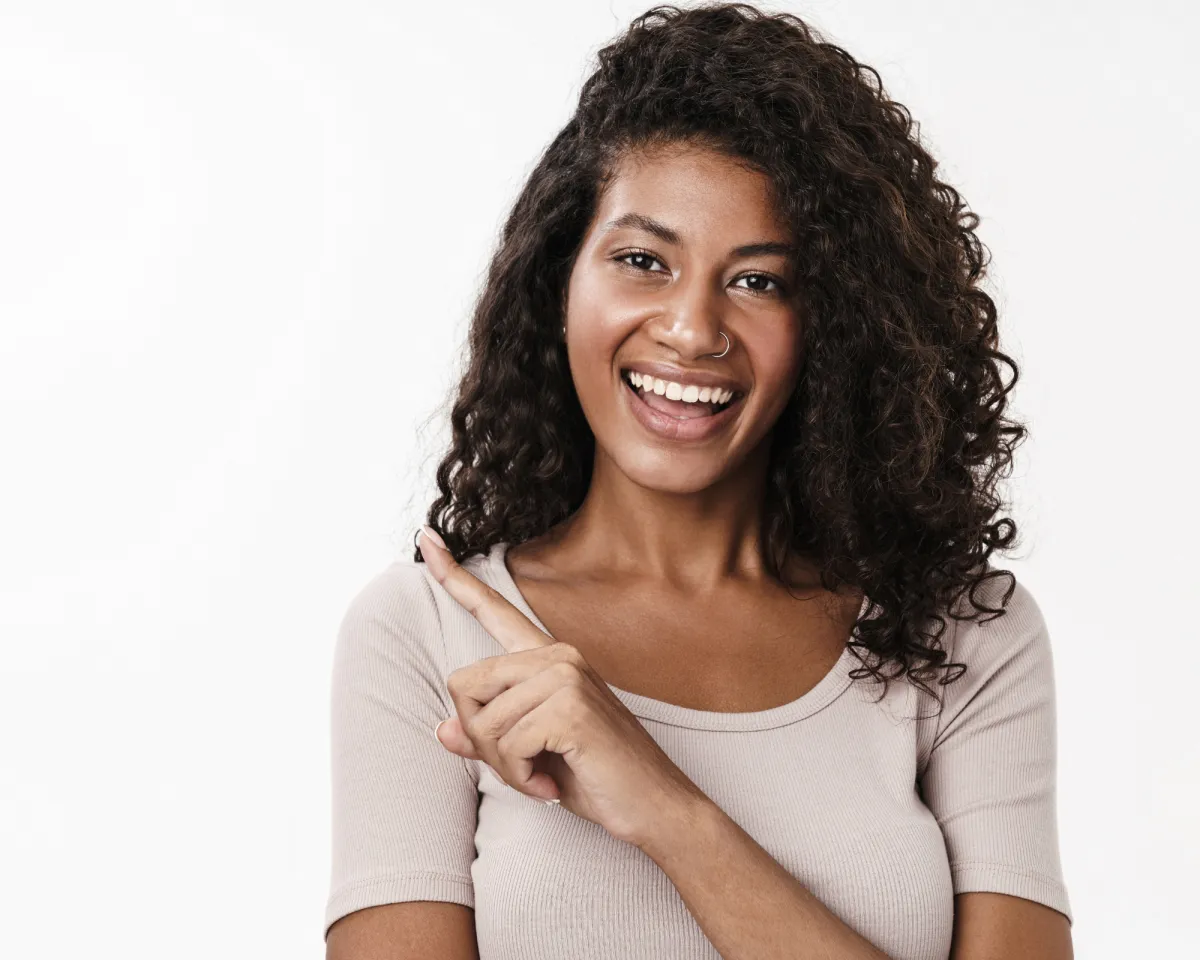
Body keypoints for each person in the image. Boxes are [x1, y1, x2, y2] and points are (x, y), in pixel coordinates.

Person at [323, 4, 1073, 958]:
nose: (691, 329)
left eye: (759, 281)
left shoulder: (964, 632)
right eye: (643, 261)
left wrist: (669, 812)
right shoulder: (425, 636)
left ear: (837, 324)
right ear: (561, 283)